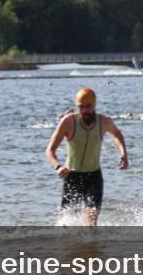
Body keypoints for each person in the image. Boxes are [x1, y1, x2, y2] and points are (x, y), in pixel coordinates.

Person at [45, 87, 129, 226]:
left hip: (94, 176)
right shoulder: (68, 122)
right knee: (67, 222)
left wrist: (124, 154)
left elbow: (117, 134)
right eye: (81, 107)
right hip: (72, 177)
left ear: (94, 105)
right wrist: (58, 166)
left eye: (88, 106)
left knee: (92, 219)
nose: (84, 110)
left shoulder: (104, 121)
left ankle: (90, 246)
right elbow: (50, 150)